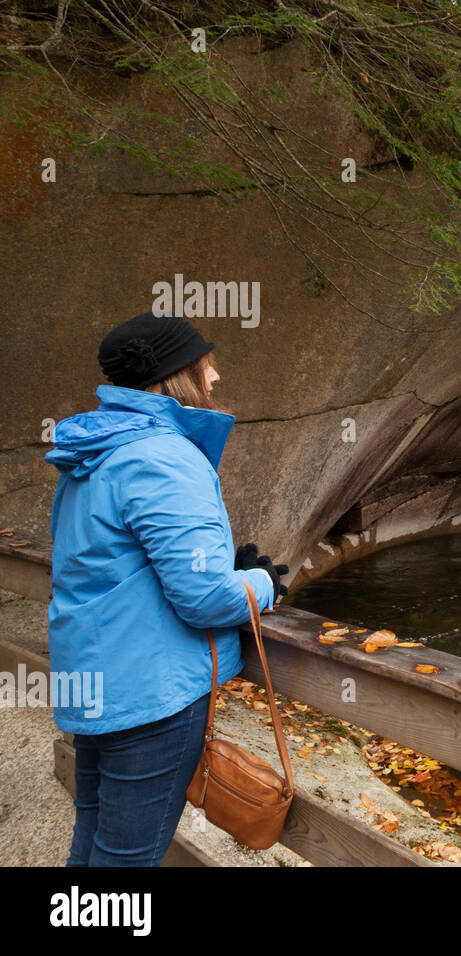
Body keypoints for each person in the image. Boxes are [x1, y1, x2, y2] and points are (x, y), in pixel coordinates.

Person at [46, 311, 289, 866]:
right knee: (127, 859)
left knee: (94, 836)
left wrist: (221, 567)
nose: (216, 376)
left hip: (95, 682)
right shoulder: (164, 456)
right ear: (176, 374)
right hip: (150, 698)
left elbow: (115, 563)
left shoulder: (93, 452)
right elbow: (206, 597)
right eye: (207, 363)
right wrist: (262, 582)